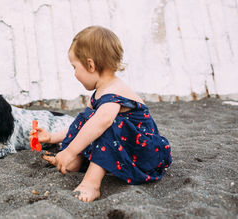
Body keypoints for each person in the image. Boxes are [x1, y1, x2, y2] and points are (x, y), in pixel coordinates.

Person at [30, 26, 172, 202]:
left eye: (74, 67)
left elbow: (102, 122)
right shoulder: (100, 92)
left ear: (90, 65)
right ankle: (77, 160)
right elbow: (83, 126)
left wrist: (70, 150)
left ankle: (91, 183)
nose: (74, 73)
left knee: (106, 125)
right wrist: (52, 137)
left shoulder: (114, 91)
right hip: (123, 147)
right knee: (86, 120)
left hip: (143, 152)